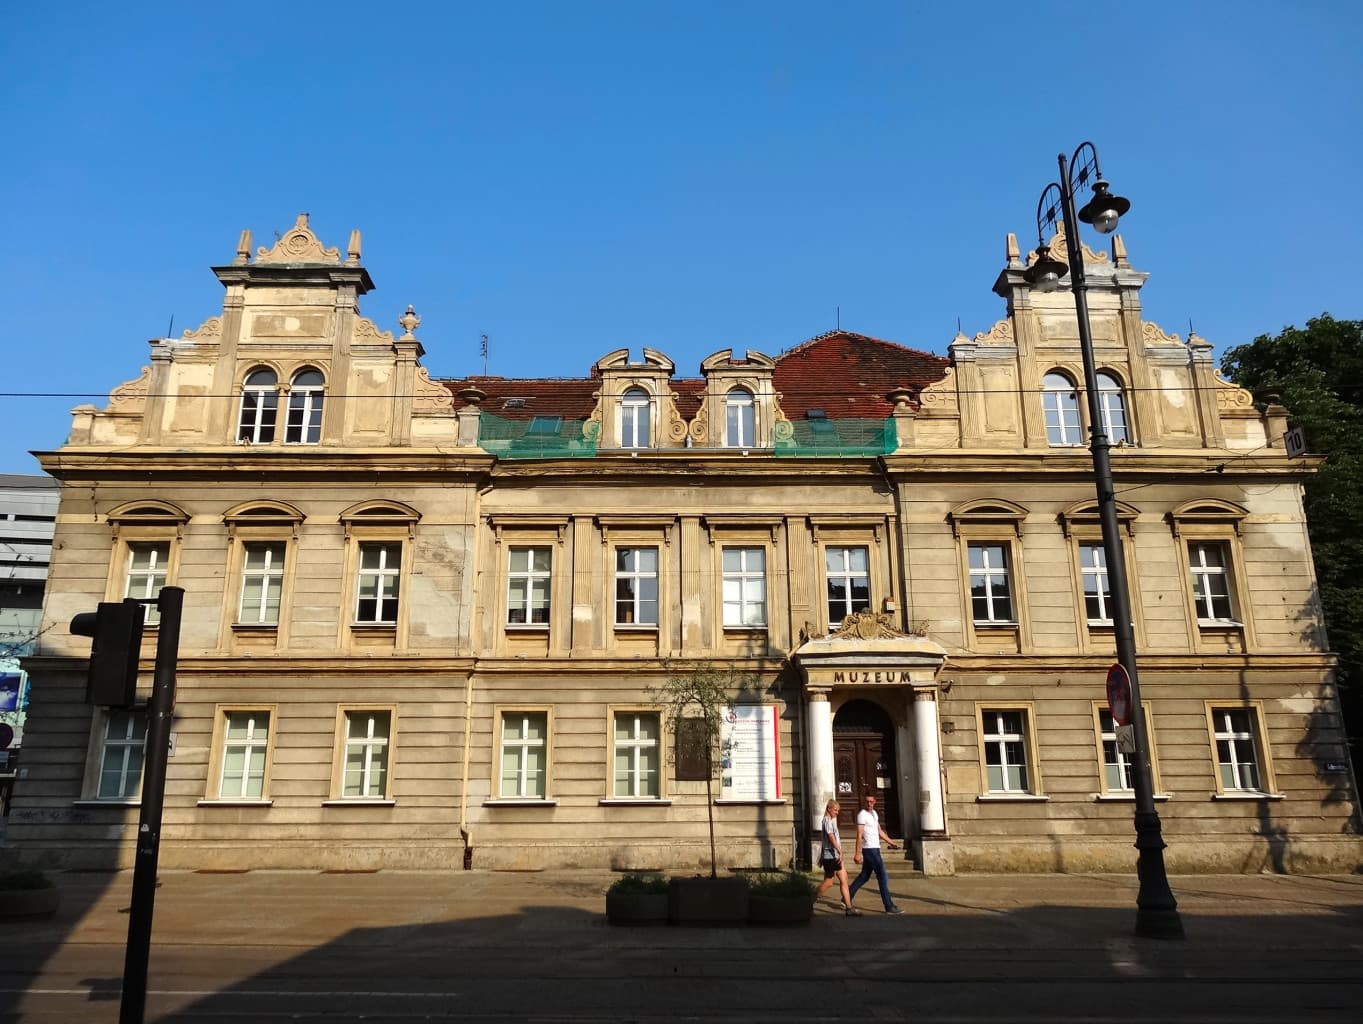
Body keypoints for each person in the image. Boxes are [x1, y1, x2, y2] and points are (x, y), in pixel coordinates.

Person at [847, 793, 904, 914]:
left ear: (874, 802)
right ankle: (889, 906)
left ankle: (846, 897)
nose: (869, 804)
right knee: (882, 876)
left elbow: (879, 831)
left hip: (875, 848)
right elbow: (859, 834)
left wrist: (891, 842)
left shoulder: (874, 814)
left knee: (864, 876)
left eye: (871, 801)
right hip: (869, 850)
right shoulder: (862, 815)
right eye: (867, 801)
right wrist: (857, 853)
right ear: (864, 802)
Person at [813, 798, 860, 915]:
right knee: (829, 882)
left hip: (833, 853)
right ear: (829, 809)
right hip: (831, 854)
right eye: (835, 810)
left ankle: (849, 907)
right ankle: (809, 899)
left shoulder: (830, 820)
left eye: (838, 810)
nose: (837, 813)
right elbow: (831, 837)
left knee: (844, 879)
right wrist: (839, 851)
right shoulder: (827, 821)